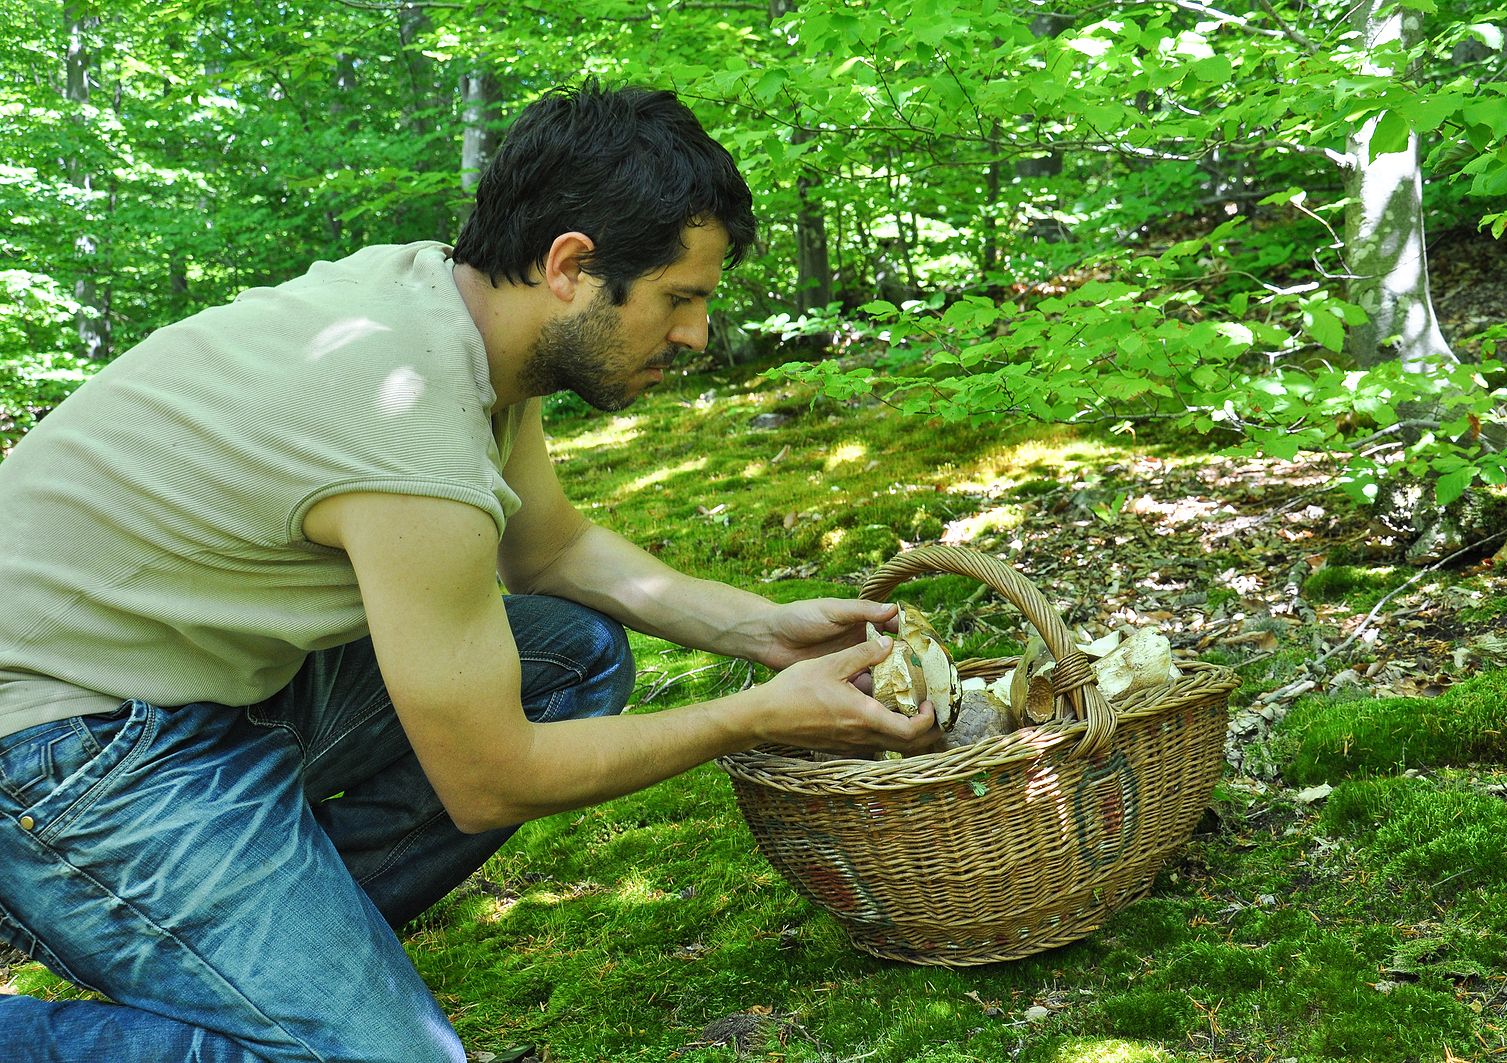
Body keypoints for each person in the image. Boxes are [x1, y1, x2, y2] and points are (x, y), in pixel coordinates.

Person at [0, 82, 940, 1062]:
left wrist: (758, 629)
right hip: (64, 745)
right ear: (572, 266)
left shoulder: (455, 320)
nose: (697, 334)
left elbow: (551, 551)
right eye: (680, 298)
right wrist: (750, 714)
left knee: (570, 657)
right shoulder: (405, 424)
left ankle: (269, 960)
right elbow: (488, 780)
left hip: (213, 686)